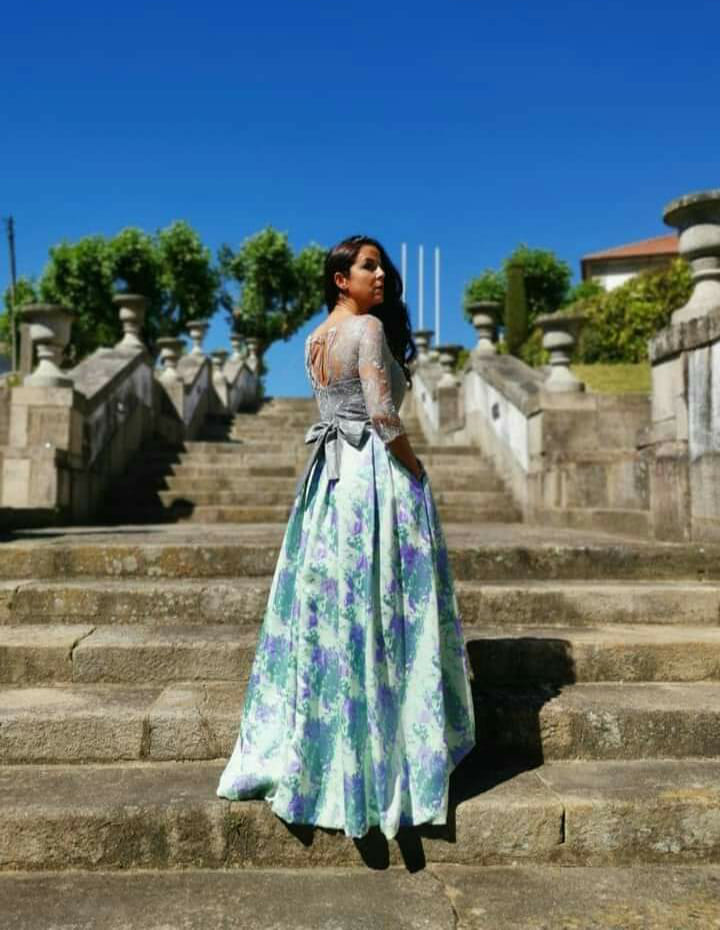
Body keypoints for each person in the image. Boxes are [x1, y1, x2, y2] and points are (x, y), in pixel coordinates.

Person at [216, 234, 475, 839]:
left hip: (328, 484)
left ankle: (329, 749)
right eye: (367, 266)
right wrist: (416, 469)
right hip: (371, 478)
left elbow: (337, 407)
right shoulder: (368, 332)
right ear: (341, 278)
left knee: (335, 610)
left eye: (381, 266)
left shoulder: (315, 339)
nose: (380, 275)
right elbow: (384, 418)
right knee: (381, 610)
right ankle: (386, 759)